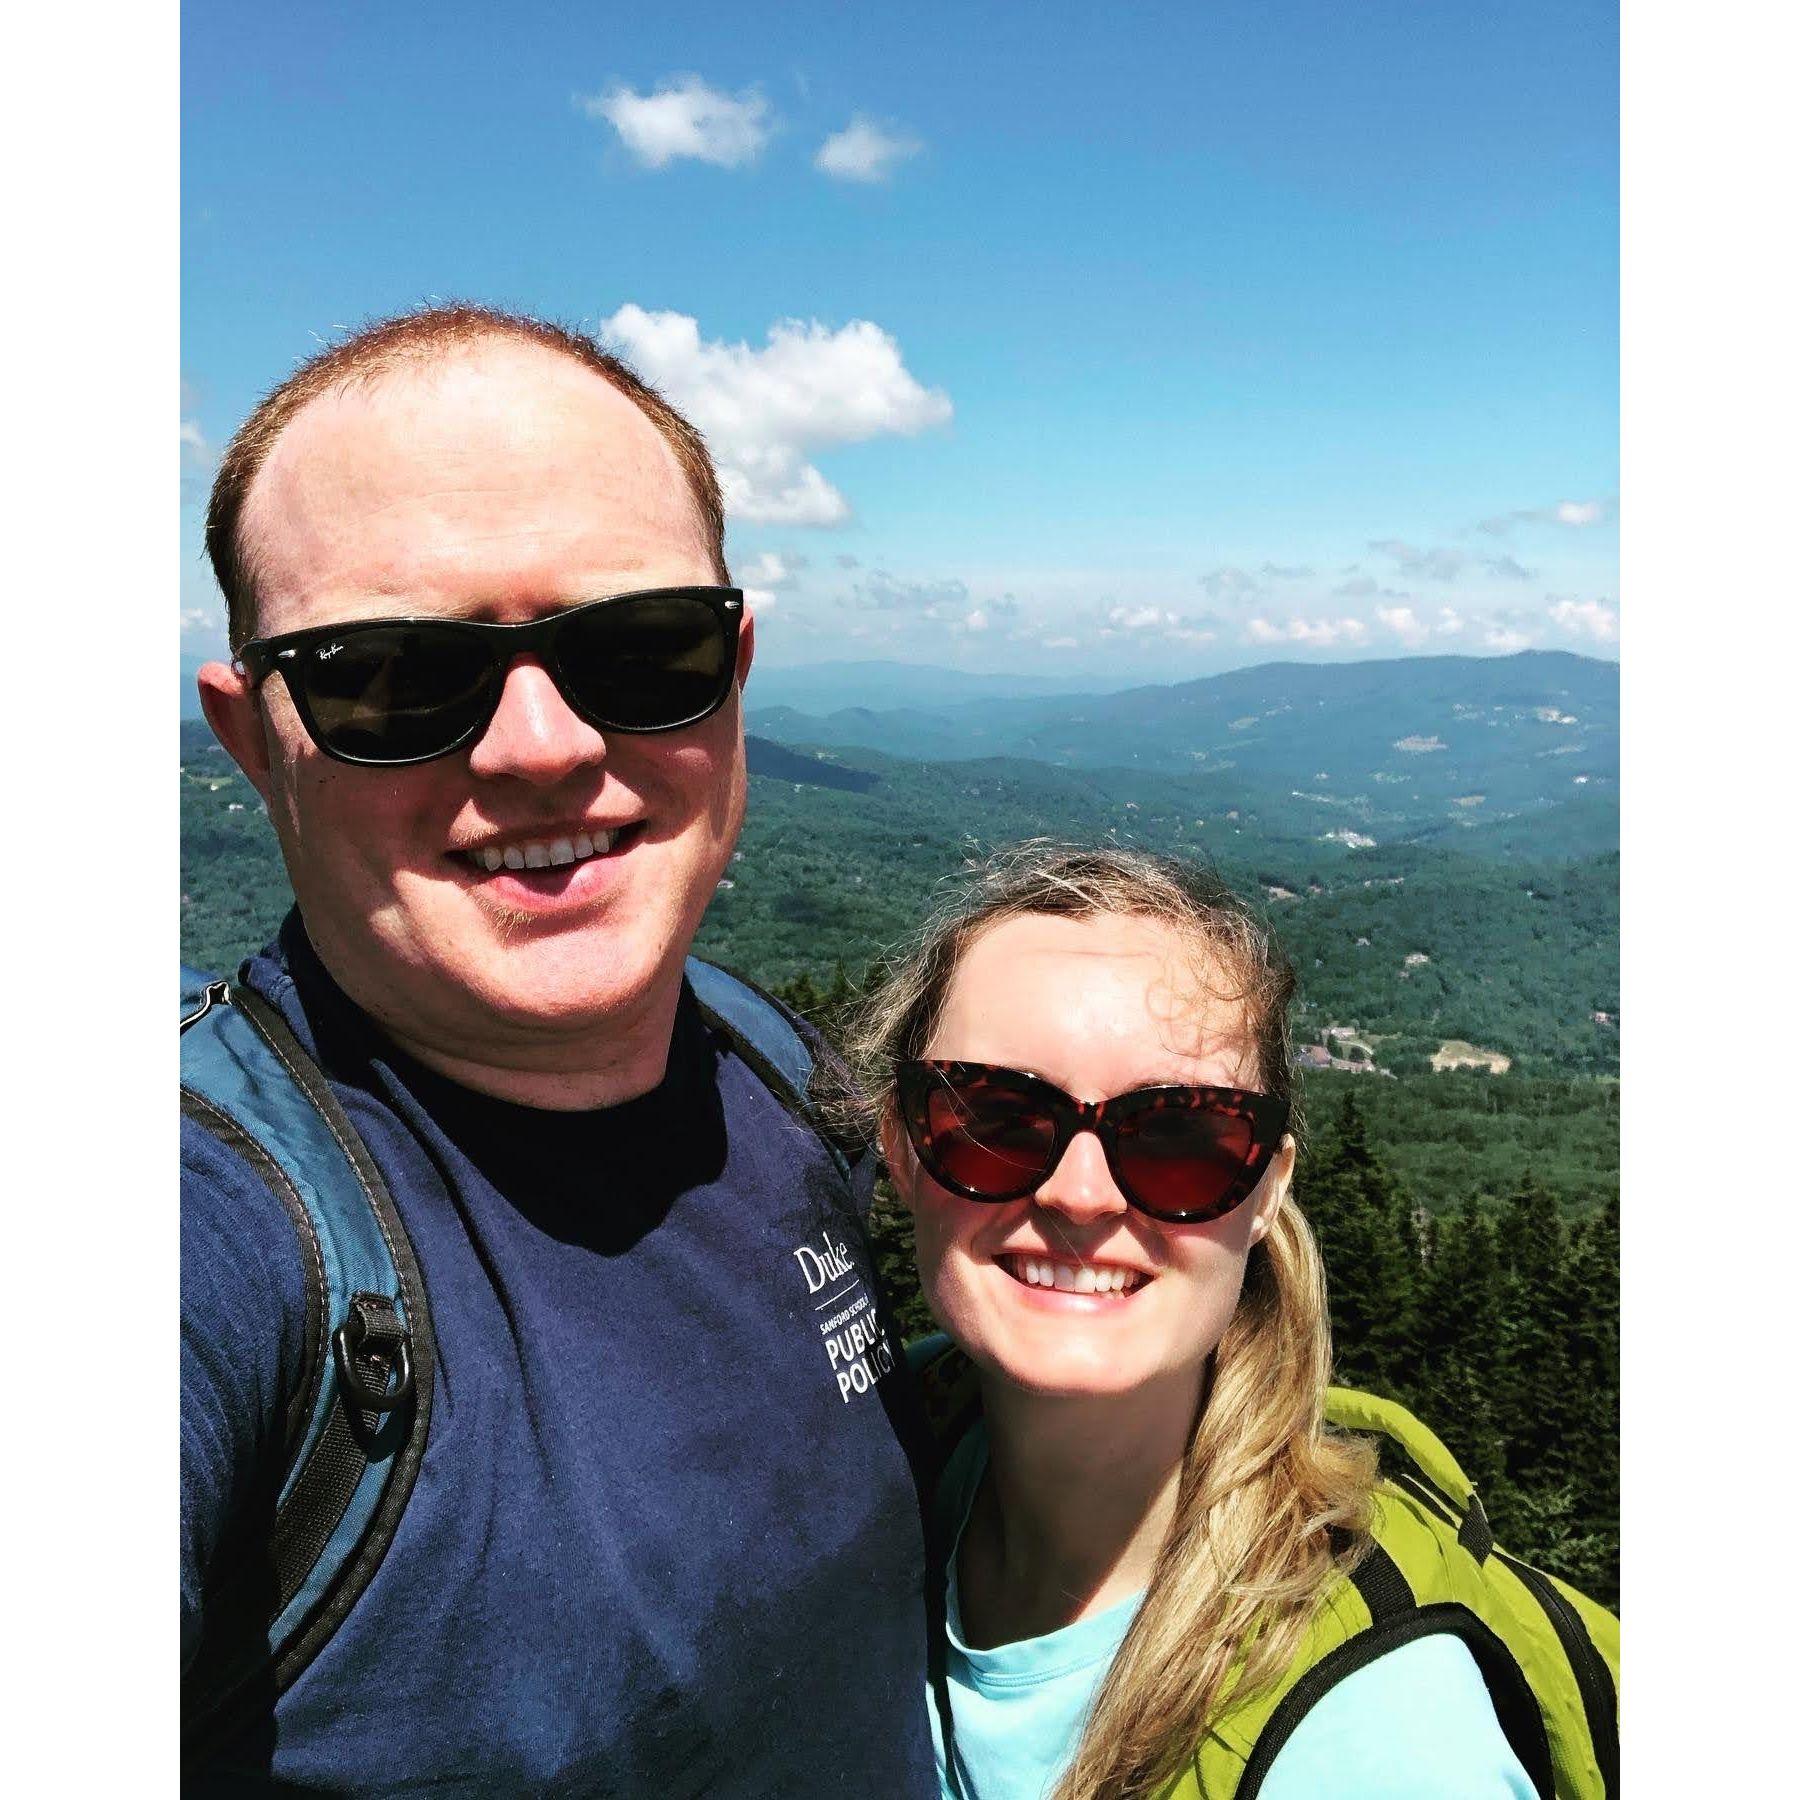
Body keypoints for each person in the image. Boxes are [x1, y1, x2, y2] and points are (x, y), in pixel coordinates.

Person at [182, 305, 937, 1795]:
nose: (540, 743)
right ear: (255, 738)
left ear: (734, 675)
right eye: (391, 675)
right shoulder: (219, 1232)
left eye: (641, 649)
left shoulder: (779, 1074)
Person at [848, 844, 1542, 1799]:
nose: (1081, 1194)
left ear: (1266, 1190)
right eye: (998, 1118)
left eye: (1179, 1135)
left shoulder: (1376, 1741)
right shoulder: (881, 1456)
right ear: (901, 1146)